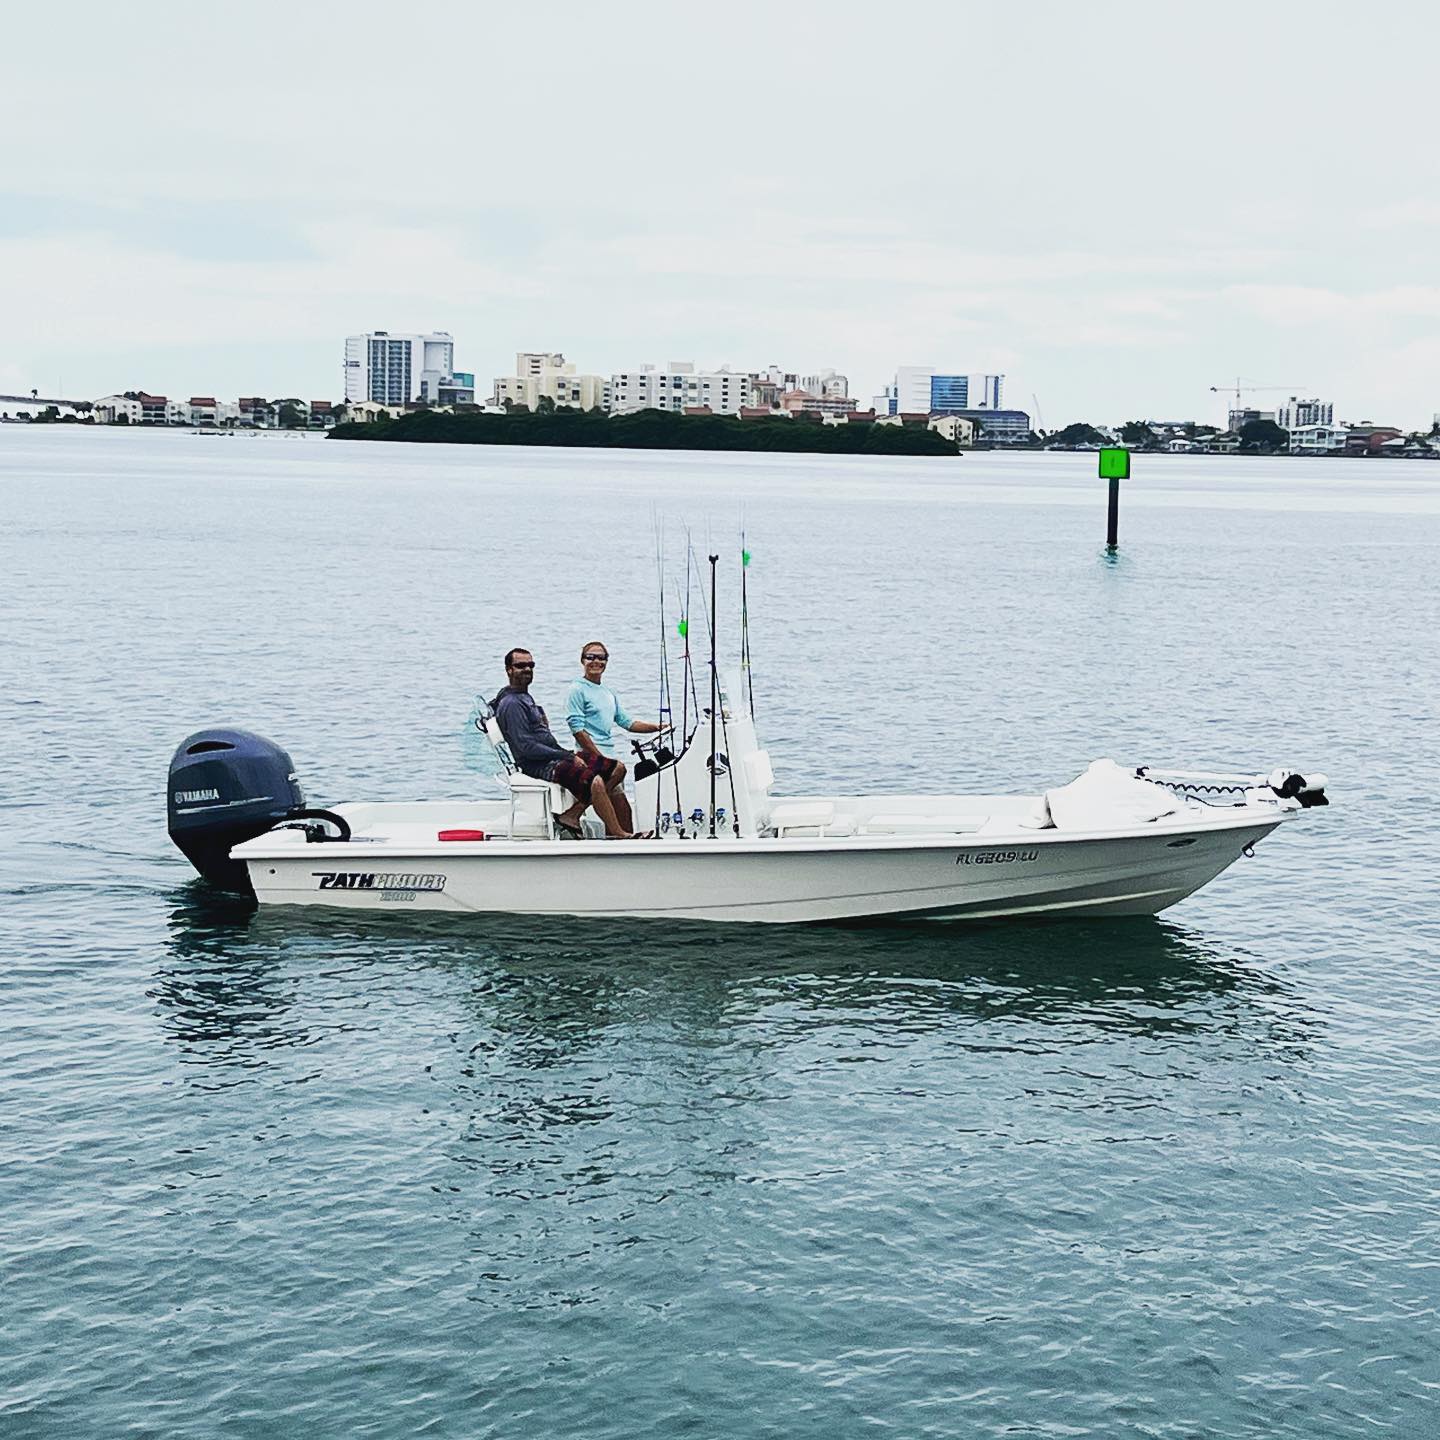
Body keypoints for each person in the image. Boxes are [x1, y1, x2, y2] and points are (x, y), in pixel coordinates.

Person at [492, 647, 646, 839]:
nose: (527, 669)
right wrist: (568, 756)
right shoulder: (512, 704)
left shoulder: (522, 696)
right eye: (520, 665)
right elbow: (526, 748)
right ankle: (619, 834)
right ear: (509, 670)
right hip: (539, 765)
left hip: (552, 756)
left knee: (618, 769)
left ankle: (573, 814)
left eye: (531, 665)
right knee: (596, 781)